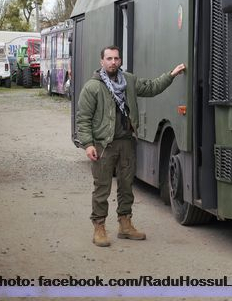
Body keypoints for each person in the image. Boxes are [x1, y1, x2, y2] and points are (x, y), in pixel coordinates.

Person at [76, 46, 186, 247]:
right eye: (109, 58)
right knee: (102, 188)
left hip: (126, 142)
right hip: (103, 145)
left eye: (116, 58)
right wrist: (88, 144)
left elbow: (152, 87)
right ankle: (99, 227)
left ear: (120, 61)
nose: (113, 62)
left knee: (127, 187)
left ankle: (125, 224)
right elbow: (83, 119)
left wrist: (171, 75)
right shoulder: (92, 87)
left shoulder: (129, 81)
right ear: (102, 61)